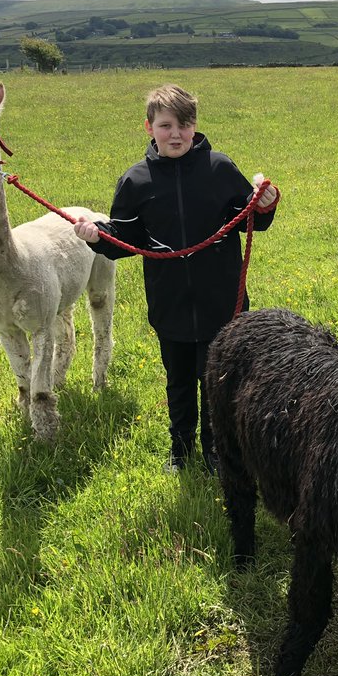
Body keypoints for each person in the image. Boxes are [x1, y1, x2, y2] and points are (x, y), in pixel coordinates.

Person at [73, 84, 278, 472]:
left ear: (194, 125)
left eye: (184, 124)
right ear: (149, 127)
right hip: (171, 306)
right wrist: (99, 237)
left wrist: (264, 206)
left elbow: (251, 219)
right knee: (180, 381)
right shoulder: (136, 181)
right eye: (166, 125)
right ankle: (180, 450)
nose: (176, 134)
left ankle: (217, 453)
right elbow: (126, 238)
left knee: (217, 383)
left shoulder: (219, 168)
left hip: (222, 302)